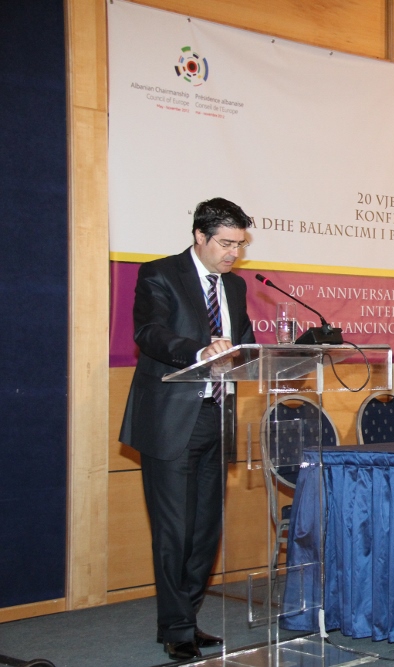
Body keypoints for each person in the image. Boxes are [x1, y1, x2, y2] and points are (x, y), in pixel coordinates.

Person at [119, 198, 255, 661]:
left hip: (218, 417)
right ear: (200, 236)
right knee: (173, 530)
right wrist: (199, 352)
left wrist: (274, 349)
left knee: (204, 531)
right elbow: (149, 333)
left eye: (240, 244)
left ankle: (187, 618)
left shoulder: (234, 286)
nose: (233, 253)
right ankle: (175, 627)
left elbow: (244, 345)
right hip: (171, 419)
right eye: (226, 243)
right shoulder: (160, 274)